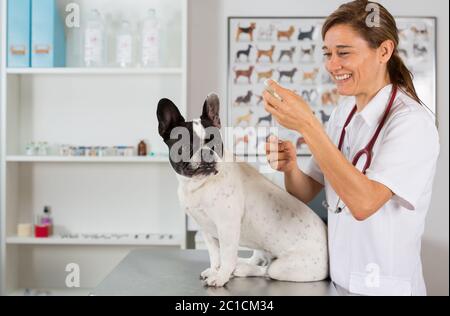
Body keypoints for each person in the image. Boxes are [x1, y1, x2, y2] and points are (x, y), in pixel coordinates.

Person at [263, 0, 440, 296]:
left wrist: (308, 125)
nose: (333, 65)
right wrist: (290, 168)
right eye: (328, 54)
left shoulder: (412, 123)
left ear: (384, 51)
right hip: (338, 283)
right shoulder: (343, 113)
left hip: (384, 290)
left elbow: (364, 203)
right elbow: (306, 191)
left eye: (343, 53)